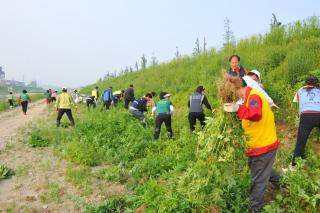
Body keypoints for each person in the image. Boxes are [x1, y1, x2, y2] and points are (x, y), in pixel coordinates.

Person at [220, 75, 280, 212]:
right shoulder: (246, 100)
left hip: (264, 145)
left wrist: (237, 109)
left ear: (236, 89)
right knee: (260, 170)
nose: (233, 99)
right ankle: (282, 183)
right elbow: (248, 119)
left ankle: (254, 209)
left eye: (231, 96)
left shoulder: (254, 96)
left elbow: (255, 114)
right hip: (255, 145)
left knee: (257, 182)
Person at [291, 75, 320, 166]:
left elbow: (297, 103)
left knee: (301, 142)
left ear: (306, 82)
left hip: (306, 115)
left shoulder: (299, 91)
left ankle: (294, 165)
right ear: (316, 83)